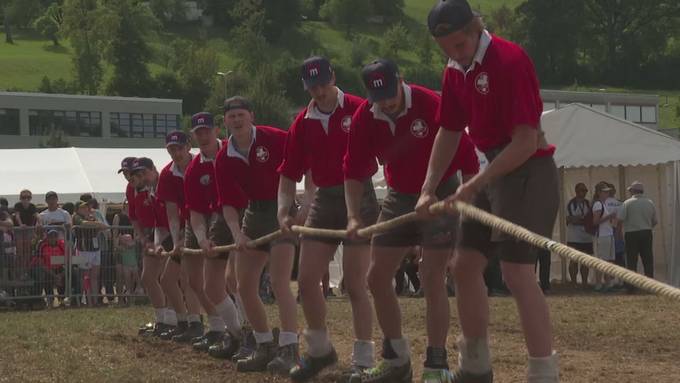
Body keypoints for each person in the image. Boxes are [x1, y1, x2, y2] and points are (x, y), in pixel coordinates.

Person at [417, 1, 560, 381]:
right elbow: (448, 130)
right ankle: (475, 365)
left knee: (516, 272)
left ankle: (544, 373)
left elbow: (526, 141)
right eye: (445, 48)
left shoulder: (509, 60)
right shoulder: (454, 72)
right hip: (491, 169)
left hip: (528, 169)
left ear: (476, 27)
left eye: (459, 45)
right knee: (463, 267)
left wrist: (475, 183)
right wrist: (428, 188)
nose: (454, 54)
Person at [344, 59, 479, 382]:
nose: (387, 103)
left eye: (391, 93)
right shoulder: (365, 116)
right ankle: (396, 360)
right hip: (399, 195)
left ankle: (436, 364)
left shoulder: (430, 103)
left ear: (400, 79)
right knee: (376, 277)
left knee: (431, 274)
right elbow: (353, 170)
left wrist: (462, 201)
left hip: (441, 193)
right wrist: (352, 216)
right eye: (380, 98)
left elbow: (470, 160)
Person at [278, 56, 379, 382]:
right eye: (312, 87)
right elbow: (288, 173)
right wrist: (284, 210)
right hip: (323, 198)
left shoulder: (360, 108)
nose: (318, 92)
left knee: (354, 283)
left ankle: (364, 359)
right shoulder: (301, 123)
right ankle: (320, 351)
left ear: (332, 77)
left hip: (360, 195)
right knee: (307, 281)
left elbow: (387, 147)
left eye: (322, 83)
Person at [214, 96, 310, 374]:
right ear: (226, 122)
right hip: (253, 215)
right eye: (231, 117)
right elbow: (228, 205)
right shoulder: (224, 158)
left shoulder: (277, 138)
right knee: (243, 287)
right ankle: (264, 343)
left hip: (283, 210)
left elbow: (307, 165)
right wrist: (237, 235)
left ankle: (290, 348)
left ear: (251, 116)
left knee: (280, 282)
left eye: (241, 114)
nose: (237, 120)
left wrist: (303, 206)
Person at [183, 112, 243, 354]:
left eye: (207, 130)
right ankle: (238, 333)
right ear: (193, 136)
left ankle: (256, 337)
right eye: (198, 132)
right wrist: (201, 239)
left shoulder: (234, 151)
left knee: (236, 280)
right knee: (211, 287)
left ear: (217, 130)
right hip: (218, 220)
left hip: (245, 213)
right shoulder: (193, 171)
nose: (203, 136)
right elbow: (195, 212)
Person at [154, 131, 204, 342]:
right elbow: (171, 213)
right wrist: (176, 241)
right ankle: (187, 322)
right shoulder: (167, 174)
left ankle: (198, 323)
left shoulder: (204, 163)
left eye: (179, 148)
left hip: (209, 222)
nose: (175, 153)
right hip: (186, 228)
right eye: (171, 149)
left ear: (188, 147)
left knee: (192, 280)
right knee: (168, 279)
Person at [130, 157, 179, 337]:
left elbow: (173, 214)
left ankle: (177, 321)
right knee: (151, 277)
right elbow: (140, 218)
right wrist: (149, 240)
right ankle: (165, 320)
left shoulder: (165, 182)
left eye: (142, 173)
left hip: (179, 232)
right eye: (136, 174)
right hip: (160, 233)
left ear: (153, 169)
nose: (138, 177)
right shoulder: (146, 189)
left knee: (175, 280)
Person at [617, 181, 657, 286]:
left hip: (631, 234)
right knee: (648, 260)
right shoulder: (650, 202)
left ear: (633, 191)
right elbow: (655, 221)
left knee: (631, 261)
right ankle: (651, 286)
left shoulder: (627, 203)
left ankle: (631, 286)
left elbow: (620, 219)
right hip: (646, 233)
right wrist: (647, 227)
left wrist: (619, 233)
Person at [72, 201, 107, 306]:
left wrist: (96, 223)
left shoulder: (91, 217)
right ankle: (87, 300)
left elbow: (102, 227)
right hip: (84, 250)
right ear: (77, 209)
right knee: (85, 276)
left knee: (94, 276)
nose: (86, 209)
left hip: (95, 249)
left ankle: (95, 300)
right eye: (82, 207)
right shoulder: (76, 217)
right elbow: (84, 224)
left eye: (86, 207)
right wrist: (97, 224)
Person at [566, 183, 592, 287]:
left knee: (585, 262)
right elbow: (569, 219)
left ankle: (585, 283)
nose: (584, 192)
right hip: (574, 237)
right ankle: (573, 283)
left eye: (585, 191)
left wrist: (579, 219)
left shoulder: (588, 203)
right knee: (573, 261)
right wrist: (583, 219)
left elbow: (590, 219)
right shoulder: (571, 204)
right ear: (577, 191)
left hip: (586, 238)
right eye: (582, 190)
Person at [592, 182, 616, 292]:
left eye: (607, 191)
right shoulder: (598, 204)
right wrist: (609, 217)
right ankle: (599, 284)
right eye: (605, 191)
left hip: (608, 234)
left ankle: (607, 284)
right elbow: (595, 222)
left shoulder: (604, 204)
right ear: (599, 193)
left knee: (608, 260)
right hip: (602, 235)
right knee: (602, 260)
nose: (607, 193)